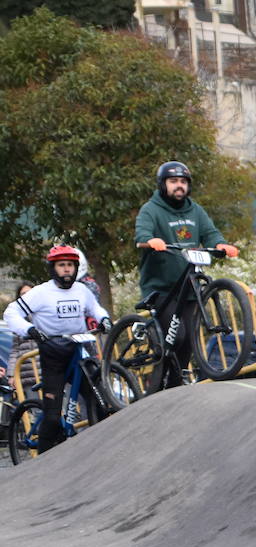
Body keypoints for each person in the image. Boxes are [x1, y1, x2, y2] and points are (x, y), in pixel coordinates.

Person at [135, 161, 239, 389]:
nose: (179, 186)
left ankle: (172, 388)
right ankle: (153, 389)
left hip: (190, 288)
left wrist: (221, 244)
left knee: (188, 343)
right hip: (162, 288)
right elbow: (142, 232)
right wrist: (150, 240)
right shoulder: (151, 209)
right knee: (176, 336)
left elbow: (210, 233)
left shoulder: (195, 210)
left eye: (183, 182)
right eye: (173, 182)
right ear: (163, 185)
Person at [2, 247, 111, 452]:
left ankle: (100, 450)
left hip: (79, 349)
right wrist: (30, 330)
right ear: (53, 268)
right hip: (52, 353)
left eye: (70, 265)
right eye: (61, 265)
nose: (66, 269)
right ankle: (42, 461)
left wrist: (103, 319)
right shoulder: (41, 292)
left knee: (99, 402)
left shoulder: (81, 290)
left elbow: (94, 308)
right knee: (52, 418)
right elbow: (11, 313)